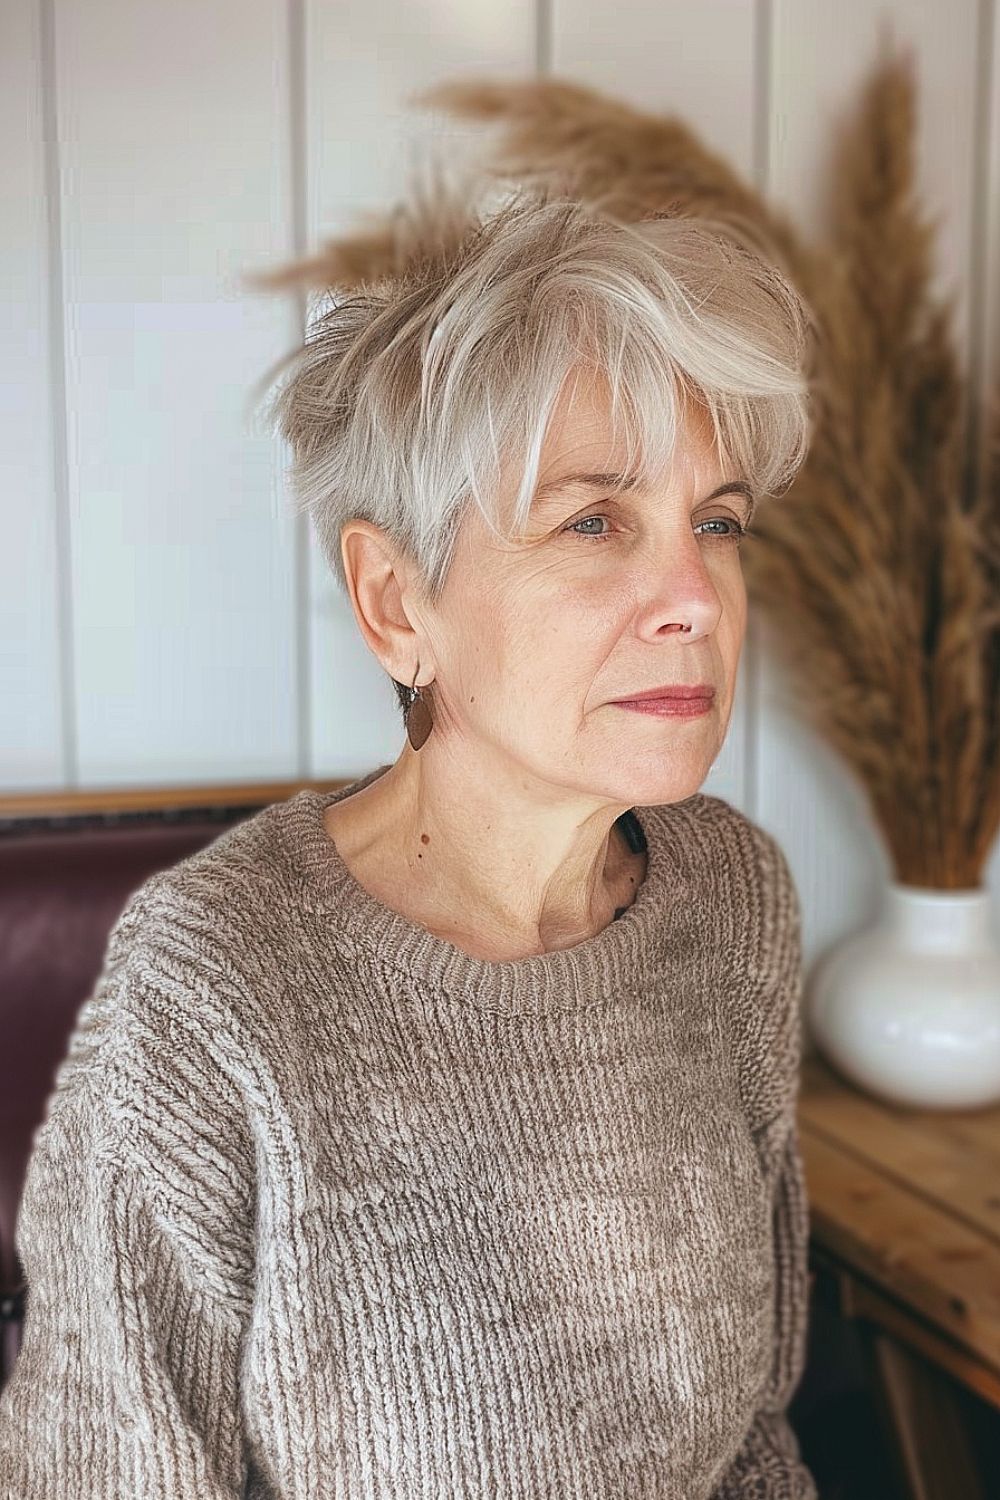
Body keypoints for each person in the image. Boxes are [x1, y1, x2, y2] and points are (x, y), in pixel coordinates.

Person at [0, 189, 817, 1498]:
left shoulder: (732, 896)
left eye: (715, 522)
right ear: (396, 603)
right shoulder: (217, 979)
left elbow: (753, 1437)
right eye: (596, 521)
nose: (693, 600)